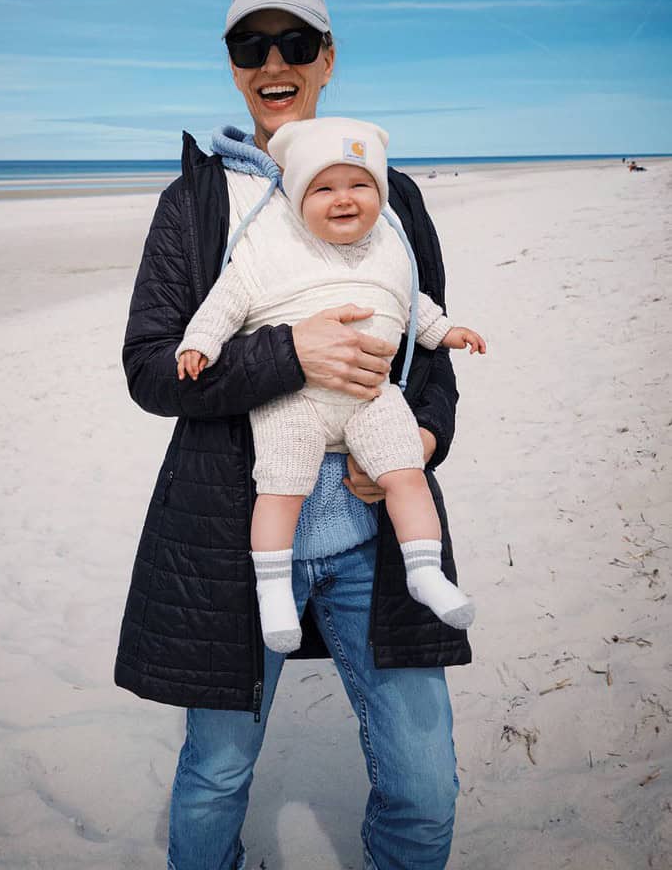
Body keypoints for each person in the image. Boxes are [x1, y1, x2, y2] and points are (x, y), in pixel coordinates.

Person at [115, 0, 473, 870]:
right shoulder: (193, 204)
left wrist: (427, 437)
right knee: (214, 773)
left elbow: (424, 354)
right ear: (234, 64)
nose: (273, 62)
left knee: (425, 782)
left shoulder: (390, 194)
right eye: (250, 45)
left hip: (376, 523)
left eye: (295, 43)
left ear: (327, 58)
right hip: (237, 527)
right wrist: (288, 355)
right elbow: (152, 369)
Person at [174, 115, 485, 653]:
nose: (344, 199)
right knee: (281, 488)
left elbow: (413, 306)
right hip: (294, 400)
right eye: (324, 188)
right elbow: (226, 299)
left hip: (371, 397)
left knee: (407, 471)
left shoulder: (390, 244)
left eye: (360, 185)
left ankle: (424, 570)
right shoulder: (266, 248)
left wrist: (447, 331)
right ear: (298, 199)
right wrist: (199, 342)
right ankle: (273, 590)